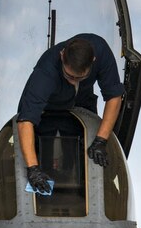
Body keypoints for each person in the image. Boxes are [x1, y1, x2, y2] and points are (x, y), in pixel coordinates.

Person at [17, 34, 125, 194]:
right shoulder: (45, 72)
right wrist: (33, 169)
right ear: (62, 56)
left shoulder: (101, 50)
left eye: (80, 77)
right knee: (42, 154)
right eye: (69, 76)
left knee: (82, 156)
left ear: (93, 60)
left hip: (82, 104)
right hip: (47, 110)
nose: (73, 81)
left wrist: (101, 140)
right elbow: (26, 120)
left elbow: (114, 96)